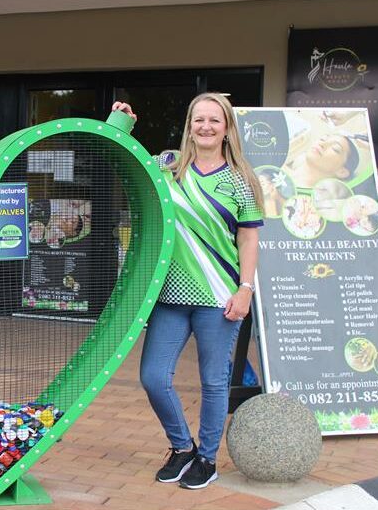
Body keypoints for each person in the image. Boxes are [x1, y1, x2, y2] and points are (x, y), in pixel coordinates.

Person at [113, 93, 263, 489]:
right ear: (189, 125)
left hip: (219, 294)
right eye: (199, 119)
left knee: (214, 382)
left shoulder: (241, 180)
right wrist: (121, 125)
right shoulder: (169, 166)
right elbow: (127, 163)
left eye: (215, 120)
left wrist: (245, 289)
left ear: (227, 127)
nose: (206, 127)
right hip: (171, 296)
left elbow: (248, 239)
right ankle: (182, 447)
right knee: (153, 376)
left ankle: (207, 459)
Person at [280, 133, 361, 189]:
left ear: (342, 171)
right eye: (323, 139)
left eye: (335, 148)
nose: (322, 144)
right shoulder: (289, 163)